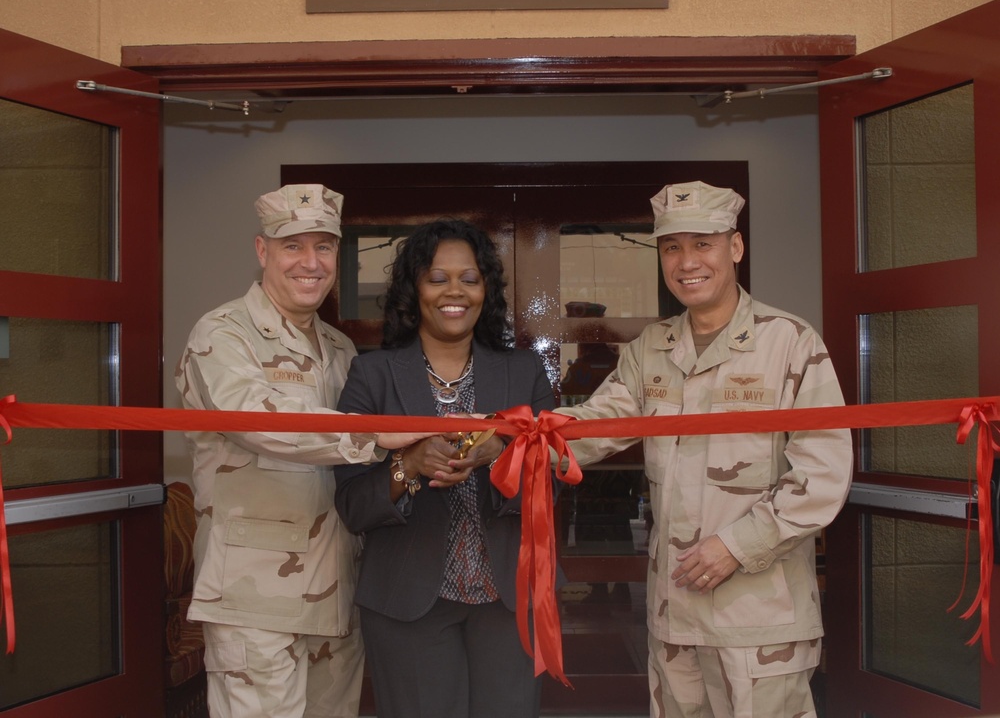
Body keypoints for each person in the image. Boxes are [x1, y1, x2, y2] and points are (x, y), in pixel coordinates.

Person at [554, 181, 853, 718]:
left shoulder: (789, 342)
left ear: (734, 248)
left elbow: (824, 473)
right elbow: (596, 425)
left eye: (703, 244)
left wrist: (735, 545)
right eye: (672, 247)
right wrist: (510, 437)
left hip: (759, 620)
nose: (686, 262)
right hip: (676, 616)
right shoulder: (653, 346)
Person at [175, 183, 426, 718]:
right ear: (263, 251)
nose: (310, 263)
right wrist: (374, 434)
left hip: (337, 592)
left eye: (324, 246)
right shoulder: (222, 335)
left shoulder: (339, 348)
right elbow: (255, 422)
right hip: (256, 597)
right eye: (292, 246)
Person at [334, 218, 556, 718]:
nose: (454, 291)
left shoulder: (523, 372)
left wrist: (497, 454)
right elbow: (351, 504)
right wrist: (407, 465)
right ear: (414, 289)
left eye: (469, 278)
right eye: (437, 278)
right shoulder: (372, 375)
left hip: (509, 601)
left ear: (486, 290)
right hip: (406, 603)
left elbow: (553, 484)